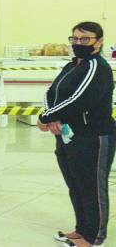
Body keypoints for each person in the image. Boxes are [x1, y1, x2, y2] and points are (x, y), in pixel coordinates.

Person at [39, 22, 115, 247]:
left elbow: (79, 100)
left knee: (92, 187)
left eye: (85, 39)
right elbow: (51, 92)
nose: (78, 43)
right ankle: (82, 229)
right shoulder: (71, 65)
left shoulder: (96, 67)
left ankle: (93, 237)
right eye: (75, 39)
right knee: (77, 184)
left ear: (98, 42)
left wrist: (46, 117)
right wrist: (51, 115)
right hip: (68, 136)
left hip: (93, 137)